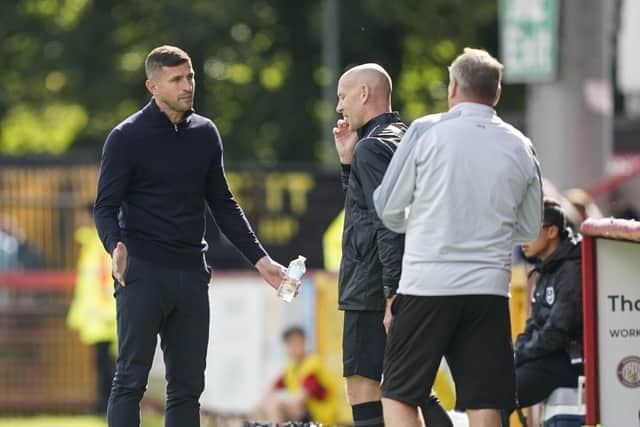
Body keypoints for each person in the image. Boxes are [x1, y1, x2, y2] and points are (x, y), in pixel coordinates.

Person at [94, 45, 287, 427]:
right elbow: (104, 206)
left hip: (191, 275)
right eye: (177, 80)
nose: (188, 86)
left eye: (191, 77)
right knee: (130, 381)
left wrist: (261, 260)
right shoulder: (126, 137)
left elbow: (223, 203)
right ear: (153, 86)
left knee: (187, 389)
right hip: (143, 272)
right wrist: (114, 244)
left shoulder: (205, 133)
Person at [373, 48, 543, 427]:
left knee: (399, 392)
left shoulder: (425, 131)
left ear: (452, 87)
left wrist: (419, 226)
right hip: (488, 287)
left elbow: (387, 207)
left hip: (426, 284)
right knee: (485, 399)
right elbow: (531, 228)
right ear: (496, 94)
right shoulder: (520, 145)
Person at [333, 63, 451, 427]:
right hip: (414, 276)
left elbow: (387, 223)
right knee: (409, 388)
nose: (339, 107)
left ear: (364, 94)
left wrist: (390, 293)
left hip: (371, 287)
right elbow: (372, 211)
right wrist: (347, 165)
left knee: (365, 390)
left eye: (342, 96)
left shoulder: (372, 147)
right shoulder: (406, 136)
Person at [501, 199, 583, 426]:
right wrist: (516, 355)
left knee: (496, 396)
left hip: (568, 361)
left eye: (529, 231)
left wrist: (523, 354)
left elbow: (558, 329)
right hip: (547, 358)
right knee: (490, 387)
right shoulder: (546, 267)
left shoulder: (571, 269)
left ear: (552, 232)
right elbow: (534, 324)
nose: (521, 240)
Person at [67, 205, 117, 415]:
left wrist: (104, 311)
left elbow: (104, 281)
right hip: (100, 316)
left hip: (104, 318)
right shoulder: (92, 245)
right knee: (104, 365)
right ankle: (105, 405)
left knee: (109, 366)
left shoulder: (98, 246)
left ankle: (107, 406)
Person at [253, 326, 337, 425]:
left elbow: (300, 398)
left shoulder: (313, 364)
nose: (292, 348)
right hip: (302, 412)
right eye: (289, 344)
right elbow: (271, 389)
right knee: (258, 406)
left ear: (304, 343)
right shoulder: (291, 367)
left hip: (319, 417)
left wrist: (276, 401)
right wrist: (264, 402)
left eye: (296, 343)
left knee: (277, 405)